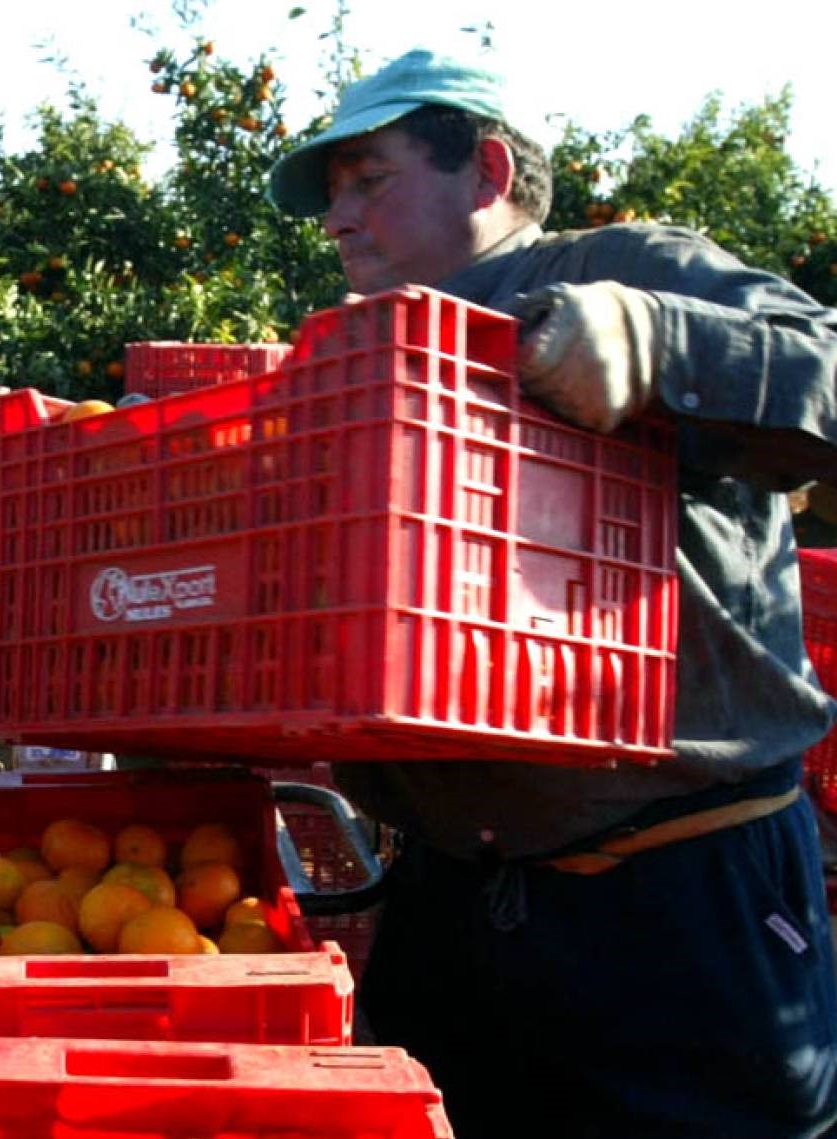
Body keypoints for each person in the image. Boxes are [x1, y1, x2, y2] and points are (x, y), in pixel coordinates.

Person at [265, 49, 837, 1138]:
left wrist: (657, 340)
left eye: (366, 178)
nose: (336, 218)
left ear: (483, 169)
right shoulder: (362, 360)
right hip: (457, 894)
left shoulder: (628, 266)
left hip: (673, 900)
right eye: (330, 191)